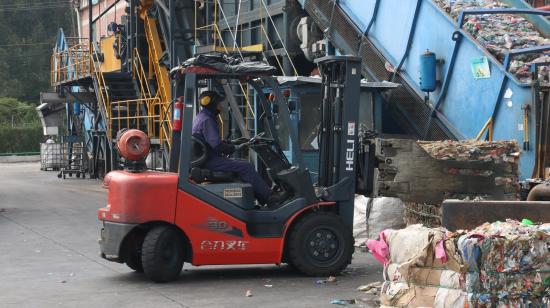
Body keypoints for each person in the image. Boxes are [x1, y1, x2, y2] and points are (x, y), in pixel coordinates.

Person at [192, 91, 285, 206]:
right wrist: (237, 147)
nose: (221, 107)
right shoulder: (207, 120)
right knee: (246, 167)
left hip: (208, 158)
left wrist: (234, 142)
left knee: (241, 163)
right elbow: (218, 147)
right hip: (210, 161)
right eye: (219, 104)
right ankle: (269, 197)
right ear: (212, 105)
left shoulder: (201, 117)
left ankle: (263, 198)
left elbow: (212, 142)